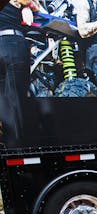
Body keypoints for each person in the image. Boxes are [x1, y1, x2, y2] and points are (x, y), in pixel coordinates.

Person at [0, 0, 43, 145]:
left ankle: (8, 143)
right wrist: (26, 6)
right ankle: (16, 148)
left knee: (4, 102)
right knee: (16, 101)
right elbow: (36, 7)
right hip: (12, 43)